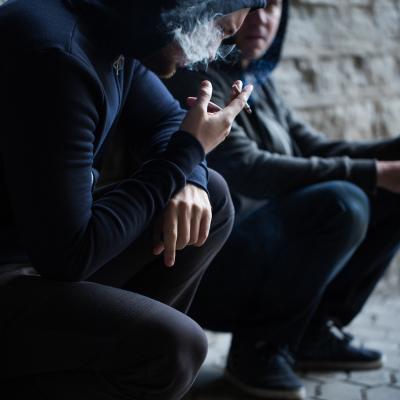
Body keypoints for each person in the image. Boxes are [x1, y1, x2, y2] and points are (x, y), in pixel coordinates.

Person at [0, 0, 265, 399]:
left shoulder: (114, 29)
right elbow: (70, 255)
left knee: (214, 198)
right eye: (220, 31)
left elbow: (166, 120)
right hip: (23, 264)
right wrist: (187, 153)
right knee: (174, 347)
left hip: (34, 255)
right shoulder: (59, 57)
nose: (212, 53)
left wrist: (189, 173)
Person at [166, 0, 400, 398]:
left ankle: (311, 335)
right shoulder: (198, 77)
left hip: (257, 255)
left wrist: (391, 154)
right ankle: (258, 349)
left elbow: (312, 147)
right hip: (206, 269)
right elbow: (251, 169)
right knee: (343, 203)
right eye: (252, 6)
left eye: (274, 7)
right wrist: (375, 172)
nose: (263, 18)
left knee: (392, 194)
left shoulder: (257, 80)